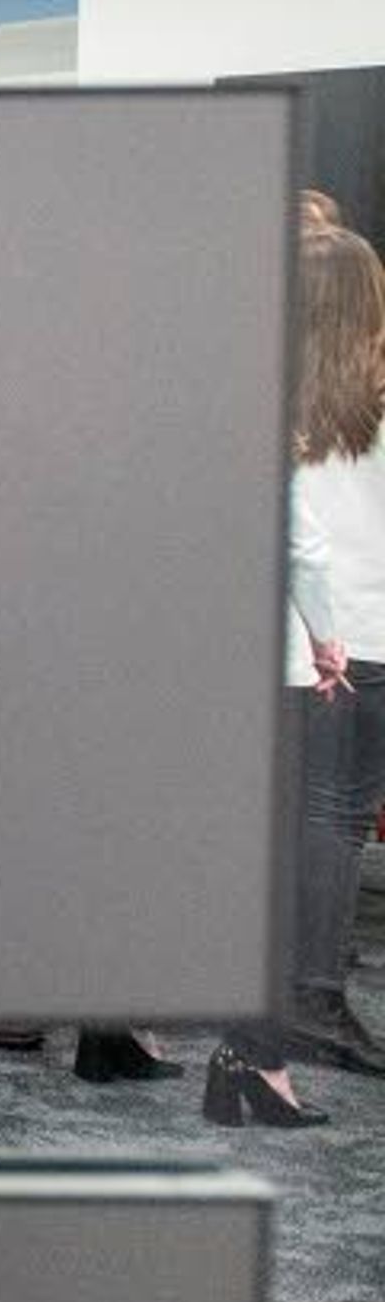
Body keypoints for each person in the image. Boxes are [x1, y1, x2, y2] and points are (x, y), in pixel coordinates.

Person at [216, 222, 385, 1125]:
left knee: (305, 818)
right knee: (338, 816)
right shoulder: (375, 397)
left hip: (295, 632)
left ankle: (283, 1006)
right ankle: (307, 1000)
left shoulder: (270, 392)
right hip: (357, 633)